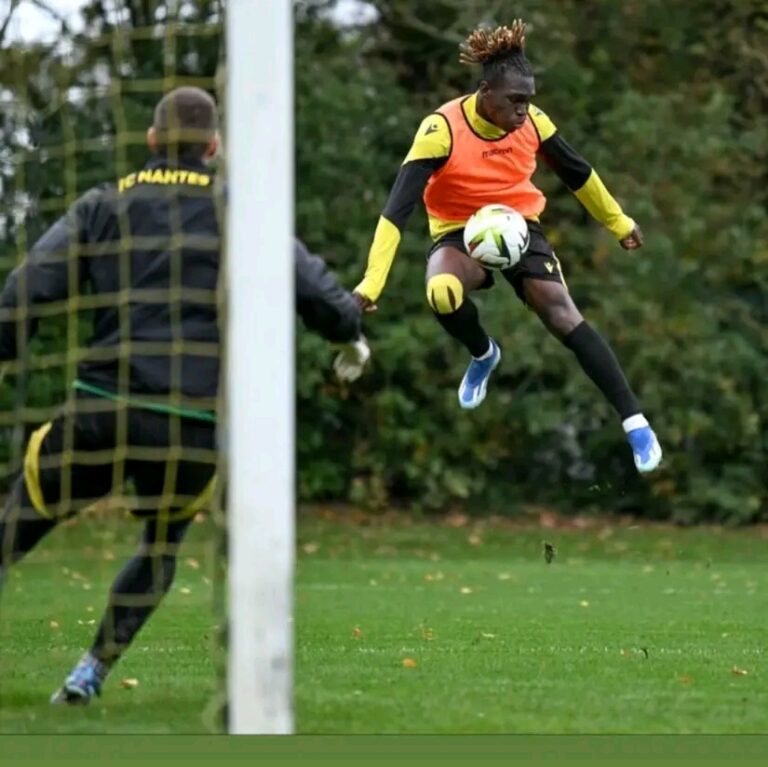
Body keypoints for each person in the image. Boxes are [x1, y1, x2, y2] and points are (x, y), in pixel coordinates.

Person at [0, 86, 368, 706]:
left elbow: (25, 288)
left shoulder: (103, 203)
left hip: (100, 411)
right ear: (214, 146)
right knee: (162, 543)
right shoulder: (240, 211)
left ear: (150, 140)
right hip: (190, 426)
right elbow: (320, 294)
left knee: (17, 520)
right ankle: (88, 673)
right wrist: (349, 334)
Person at [353, 20, 661, 473]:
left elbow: (579, 174)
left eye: (528, 100)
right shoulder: (441, 130)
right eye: (515, 100)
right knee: (440, 291)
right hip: (459, 231)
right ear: (485, 92)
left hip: (521, 226)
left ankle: (636, 422)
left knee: (561, 313)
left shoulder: (532, 123)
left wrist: (619, 223)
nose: (524, 110)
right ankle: (483, 353)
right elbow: (396, 210)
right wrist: (372, 282)